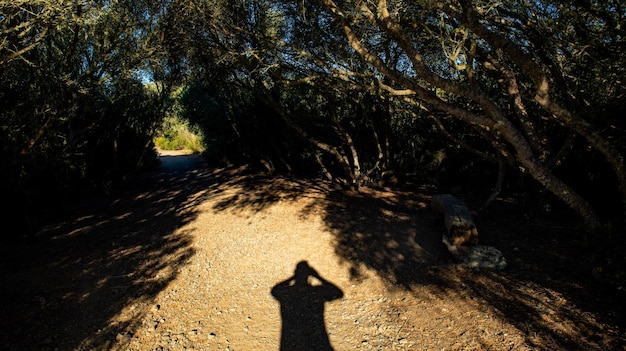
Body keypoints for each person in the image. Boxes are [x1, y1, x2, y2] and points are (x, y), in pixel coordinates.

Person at [271, 261, 344, 351]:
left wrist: (293, 277)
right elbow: (337, 293)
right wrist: (318, 277)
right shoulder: (315, 292)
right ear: (309, 275)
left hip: (292, 342)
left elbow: (275, 291)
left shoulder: (288, 293)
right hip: (316, 341)